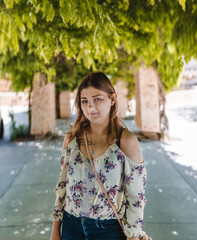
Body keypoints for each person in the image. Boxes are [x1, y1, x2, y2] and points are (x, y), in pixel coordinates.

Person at [50, 72, 148, 240]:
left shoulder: (125, 141)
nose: (90, 107)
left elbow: (136, 197)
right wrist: (55, 231)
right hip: (71, 226)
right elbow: (62, 186)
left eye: (98, 99)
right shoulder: (72, 138)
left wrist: (132, 235)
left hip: (108, 229)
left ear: (113, 99)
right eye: (84, 101)